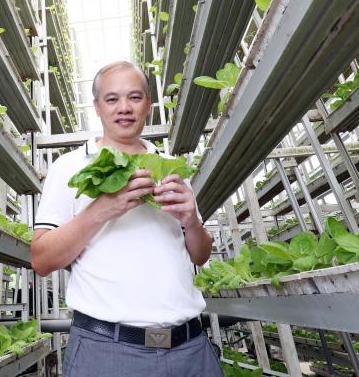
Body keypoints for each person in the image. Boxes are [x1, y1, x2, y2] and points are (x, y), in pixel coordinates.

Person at [31, 60, 223, 376]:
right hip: (107, 351)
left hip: (191, 349)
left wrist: (191, 220)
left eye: (134, 97)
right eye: (112, 99)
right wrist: (101, 211)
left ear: (148, 104)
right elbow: (41, 260)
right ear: (97, 107)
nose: (124, 107)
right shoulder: (69, 167)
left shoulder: (170, 167)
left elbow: (200, 255)